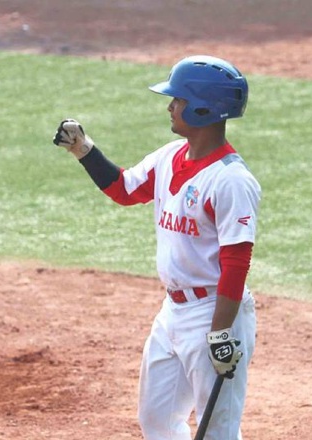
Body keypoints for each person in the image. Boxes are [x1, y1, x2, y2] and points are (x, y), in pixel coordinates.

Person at [51, 55, 260, 439]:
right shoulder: (169, 156)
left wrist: (220, 333)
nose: (170, 106)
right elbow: (124, 190)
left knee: (218, 430)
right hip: (173, 311)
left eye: (178, 99)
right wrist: (83, 149)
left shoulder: (231, 180)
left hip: (214, 312)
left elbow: (236, 261)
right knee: (157, 419)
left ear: (202, 108)